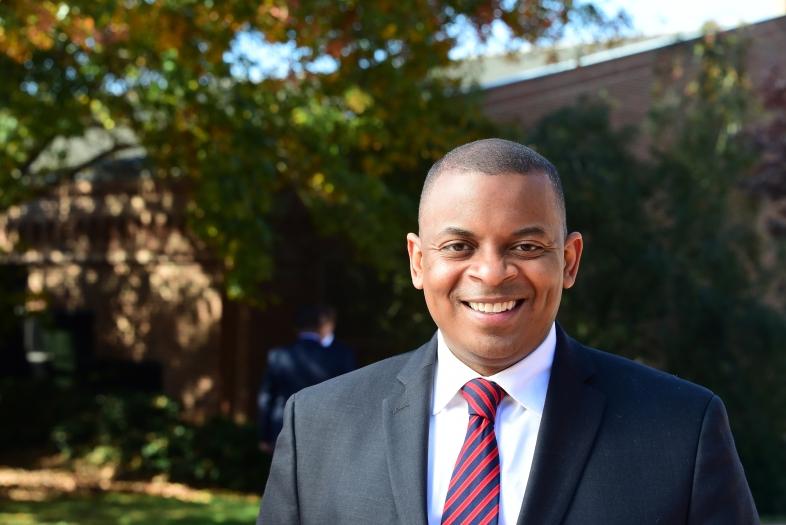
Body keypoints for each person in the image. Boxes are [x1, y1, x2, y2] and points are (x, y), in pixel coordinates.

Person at [258, 139, 757, 524]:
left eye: (525, 247)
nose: (492, 273)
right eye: (458, 246)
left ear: (569, 260)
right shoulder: (319, 426)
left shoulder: (681, 430)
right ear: (417, 261)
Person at [256, 304, 356, 453]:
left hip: (284, 428)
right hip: (326, 431)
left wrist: (264, 436)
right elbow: (351, 395)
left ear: (296, 328)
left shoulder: (278, 356)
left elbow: (266, 398)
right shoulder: (340, 356)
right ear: (320, 327)